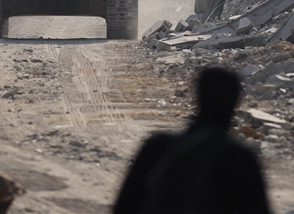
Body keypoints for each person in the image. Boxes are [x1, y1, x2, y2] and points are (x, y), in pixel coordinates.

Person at [113, 67, 271, 214]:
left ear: (198, 97)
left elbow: (124, 205)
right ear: (235, 102)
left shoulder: (157, 146)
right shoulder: (240, 158)